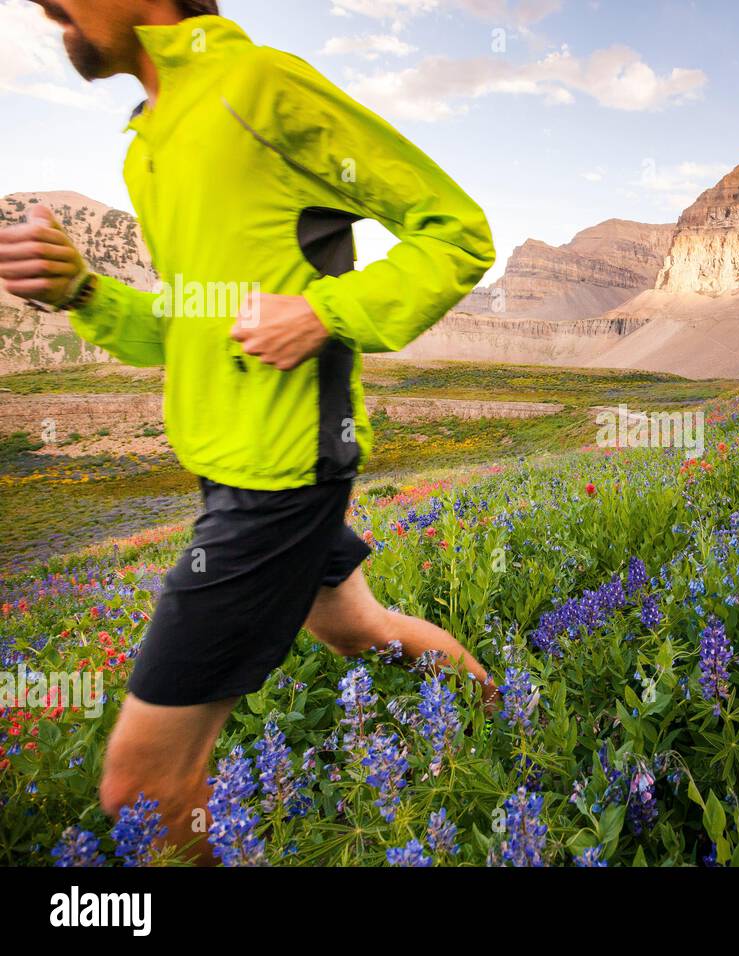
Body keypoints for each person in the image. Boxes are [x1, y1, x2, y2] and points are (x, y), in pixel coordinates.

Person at [0, 0, 498, 863]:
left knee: (140, 787)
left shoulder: (258, 88)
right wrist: (85, 291)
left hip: (280, 477)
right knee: (359, 632)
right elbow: (179, 329)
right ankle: (509, 716)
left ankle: (508, 723)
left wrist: (324, 311)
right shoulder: (149, 140)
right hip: (224, 466)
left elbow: (458, 233)